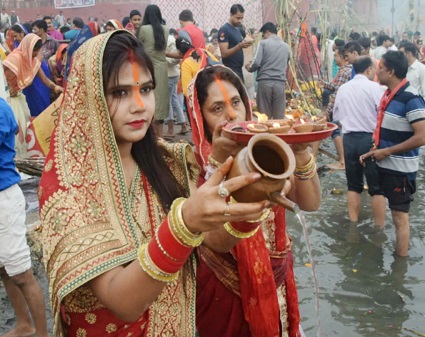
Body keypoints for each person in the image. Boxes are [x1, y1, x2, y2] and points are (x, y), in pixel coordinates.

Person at [39, 30, 271, 337]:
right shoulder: (68, 186)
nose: (139, 105)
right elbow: (122, 301)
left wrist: (252, 200)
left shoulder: (166, 162)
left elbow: (212, 242)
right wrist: (184, 225)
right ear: (87, 98)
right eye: (119, 92)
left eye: (146, 89)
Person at [187, 65, 320, 337]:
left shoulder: (269, 148)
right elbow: (212, 239)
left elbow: (310, 204)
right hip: (222, 289)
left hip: (276, 282)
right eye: (217, 109)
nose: (232, 115)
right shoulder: (189, 165)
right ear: (200, 119)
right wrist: (216, 164)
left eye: (236, 102)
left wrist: (302, 154)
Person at [360, 51, 425, 257]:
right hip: (384, 164)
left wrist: (387, 151)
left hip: (400, 169)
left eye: (380, 68)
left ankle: (400, 265)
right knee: (392, 211)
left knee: (399, 216)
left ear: (391, 71)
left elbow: (421, 137)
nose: (377, 71)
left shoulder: (411, 98)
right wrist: (373, 151)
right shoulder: (388, 94)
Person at [0, 97, 50, 337]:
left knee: (22, 273)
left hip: (4, 201)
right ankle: (24, 324)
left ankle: (41, 333)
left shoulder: (0, 108)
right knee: (4, 269)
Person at [333, 56, 386, 226]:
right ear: (369, 69)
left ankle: (353, 224)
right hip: (369, 139)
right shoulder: (375, 88)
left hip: (348, 139)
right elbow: (382, 114)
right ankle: (379, 227)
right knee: (376, 188)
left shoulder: (343, 89)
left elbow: (337, 117)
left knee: (353, 185)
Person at [3, 33, 62, 156]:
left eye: (37, 53)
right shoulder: (14, 59)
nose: (35, 55)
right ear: (27, 48)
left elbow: (45, 80)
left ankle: (21, 161)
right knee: (14, 132)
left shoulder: (32, 60)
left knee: (24, 131)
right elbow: (3, 79)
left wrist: (56, 87)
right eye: (33, 52)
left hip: (20, 99)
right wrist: (7, 91)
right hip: (9, 101)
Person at [137, 4, 170, 137]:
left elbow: (137, 47)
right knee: (160, 100)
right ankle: (160, 137)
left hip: (147, 68)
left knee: (147, 97)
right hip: (162, 68)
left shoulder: (143, 29)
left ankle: (149, 137)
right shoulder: (166, 29)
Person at [245, 22, 289, 119]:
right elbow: (286, 64)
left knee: (264, 118)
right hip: (280, 85)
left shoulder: (263, 43)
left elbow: (256, 63)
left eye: (263, 35)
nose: (263, 37)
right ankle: (279, 134)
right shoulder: (286, 46)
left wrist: (249, 67)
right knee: (279, 119)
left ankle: (266, 134)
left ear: (267, 32)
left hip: (265, 83)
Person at [218, 4, 252, 81]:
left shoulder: (238, 29)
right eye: (237, 18)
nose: (240, 20)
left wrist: (245, 44)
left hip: (238, 69)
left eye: (241, 18)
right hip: (230, 71)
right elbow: (224, 53)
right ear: (231, 15)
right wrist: (239, 46)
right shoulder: (224, 30)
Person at [165, 29, 188, 138]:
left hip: (170, 74)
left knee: (168, 101)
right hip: (173, 74)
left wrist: (162, 59)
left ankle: (170, 130)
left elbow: (176, 58)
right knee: (173, 99)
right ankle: (183, 126)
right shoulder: (169, 39)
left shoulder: (169, 40)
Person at [400, 42, 425, 114]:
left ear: (408, 54)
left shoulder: (422, 69)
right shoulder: (402, 68)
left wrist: (424, 114)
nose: (399, 57)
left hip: (416, 109)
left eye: (401, 54)